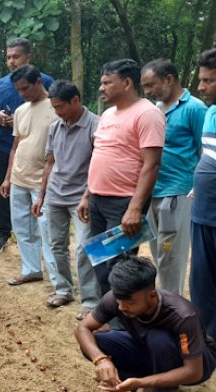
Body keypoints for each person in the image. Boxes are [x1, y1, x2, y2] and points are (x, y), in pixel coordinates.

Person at [77, 59, 165, 297]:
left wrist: (135, 207)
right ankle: (110, 315)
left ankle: (123, 324)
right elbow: (100, 155)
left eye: (107, 82)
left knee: (119, 267)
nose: (101, 88)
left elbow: (152, 164)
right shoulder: (107, 115)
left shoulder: (147, 114)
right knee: (100, 264)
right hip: (97, 200)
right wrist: (87, 195)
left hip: (124, 203)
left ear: (126, 83)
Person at [74, 256, 216, 392]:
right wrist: (100, 359)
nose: (122, 308)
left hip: (196, 361)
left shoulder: (183, 316)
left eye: (130, 303)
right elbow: (83, 328)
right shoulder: (117, 299)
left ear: (152, 295)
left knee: (158, 339)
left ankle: (158, 388)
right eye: (118, 301)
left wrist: (144, 382)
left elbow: (194, 372)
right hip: (149, 349)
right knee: (96, 343)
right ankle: (132, 383)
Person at [32, 80, 99, 318]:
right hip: (56, 195)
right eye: (54, 108)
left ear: (76, 100)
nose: (58, 112)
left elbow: (99, 166)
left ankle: (91, 300)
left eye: (61, 107)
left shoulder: (95, 126)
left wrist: (86, 196)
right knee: (56, 245)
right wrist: (41, 195)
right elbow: (50, 163)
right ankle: (63, 289)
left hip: (81, 197)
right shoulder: (55, 127)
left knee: (84, 248)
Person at [140, 59, 206, 296]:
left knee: (170, 253)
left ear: (169, 79)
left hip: (178, 194)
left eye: (151, 85)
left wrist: (197, 188)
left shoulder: (195, 109)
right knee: (159, 250)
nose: (147, 92)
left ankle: (172, 306)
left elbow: (205, 150)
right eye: (144, 87)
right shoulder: (154, 110)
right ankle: (168, 300)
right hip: (153, 192)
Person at [0, 38, 54, 256]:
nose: (12, 61)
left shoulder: (47, 82)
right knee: (3, 191)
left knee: (39, 195)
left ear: (28, 57)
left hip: (37, 151)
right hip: (3, 145)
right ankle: (2, 233)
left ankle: (43, 240)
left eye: (16, 56)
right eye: (8, 57)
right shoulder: (0, 84)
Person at [0, 65, 60, 292]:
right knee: (22, 227)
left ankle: (58, 280)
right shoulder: (21, 110)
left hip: (43, 182)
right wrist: (7, 178)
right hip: (19, 178)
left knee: (47, 230)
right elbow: (15, 147)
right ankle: (31, 269)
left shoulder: (56, 107)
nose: (22, 94)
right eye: (19, 90)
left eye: (25, 88)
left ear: (38, 82)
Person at [191, 48, 216, 338]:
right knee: (201, 282)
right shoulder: (210, 112)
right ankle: (206, 341)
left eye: (208, 81)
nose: (201, 87)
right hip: (202, 212)